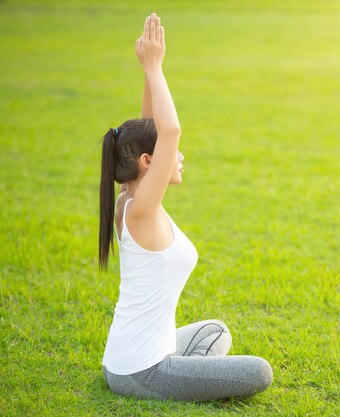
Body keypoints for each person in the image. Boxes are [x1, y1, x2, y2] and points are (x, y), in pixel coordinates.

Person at [98, 12, 273, 402]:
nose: (177, 156)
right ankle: (182, 382)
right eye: (165, 154)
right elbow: (170, 131)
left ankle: (190, 378)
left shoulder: (130, 199)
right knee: (260, 371)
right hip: (143, 372)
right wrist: (154, 66)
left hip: (128, 358)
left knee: (216, 332)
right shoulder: (140, 208)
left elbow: (152, 127)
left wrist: (148, 72)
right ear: (148, 162)